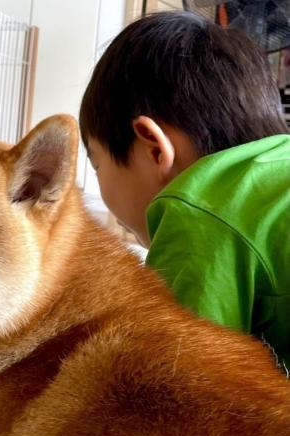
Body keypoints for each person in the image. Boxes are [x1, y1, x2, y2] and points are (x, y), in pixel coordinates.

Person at [79, 10, 290, 371]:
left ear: (154, 148)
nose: (98, 177)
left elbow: (171, 383)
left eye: (97, 164)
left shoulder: (201, 211)